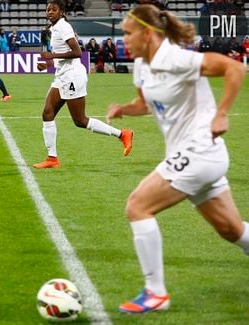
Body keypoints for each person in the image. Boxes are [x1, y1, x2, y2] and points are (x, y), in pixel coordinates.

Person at [105, 5, 247, 314]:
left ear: (148, 33)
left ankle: (155, 294)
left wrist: (221, 114)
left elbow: (235, 69)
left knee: (138, 206)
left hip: (200, 151)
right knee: (232, 231)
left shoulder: (177, 58)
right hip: (192, 156)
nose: (123, 39)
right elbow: (145, 104)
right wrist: (124, 110)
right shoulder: (143, 65)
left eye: (128, 33)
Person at [33, 0, 132, 169]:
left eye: (53, 9)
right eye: (48, 9)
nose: (49, 12)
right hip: (62, 75)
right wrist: (48, 64)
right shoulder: (54, 28)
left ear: (62, 12)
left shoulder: (63, 27)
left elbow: (77, 52)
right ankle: (52, 159)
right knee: (47, 113)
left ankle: (122, 134)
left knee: (80, 120)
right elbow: (61, 57)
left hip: (72, 76)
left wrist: (52, 55)